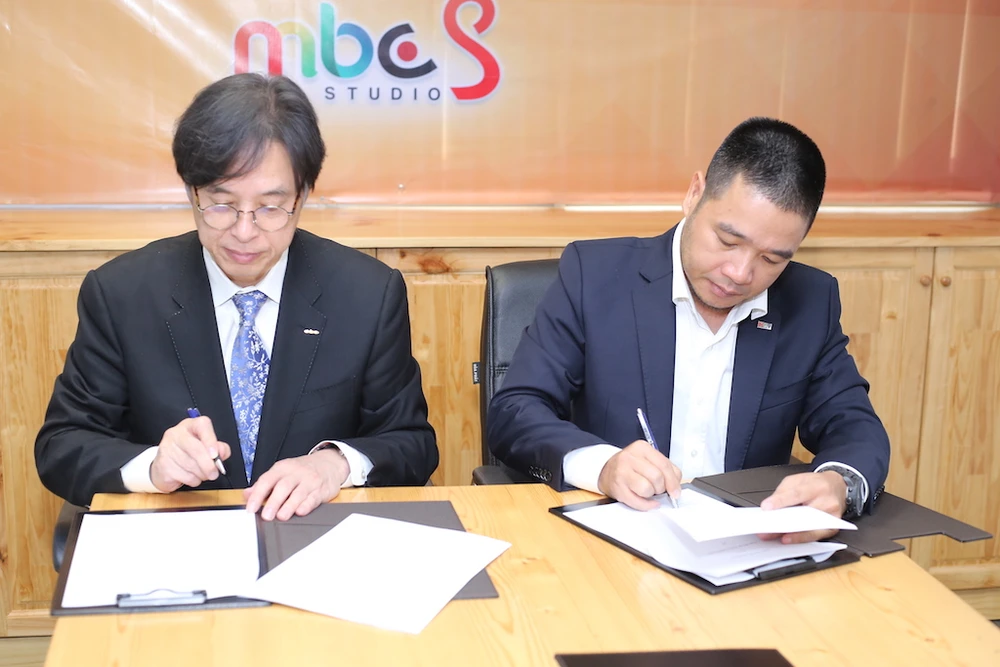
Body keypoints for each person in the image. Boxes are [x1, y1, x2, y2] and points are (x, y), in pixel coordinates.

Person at [35, 73, 438, 520]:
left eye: (270, 206)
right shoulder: (122, 293)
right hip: (177, 538)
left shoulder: (367, 294)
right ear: (192, 191)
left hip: (318, 536)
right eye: (221, 203)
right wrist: (153, 466)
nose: (244, 232)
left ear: (303, 196)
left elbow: (411, 443)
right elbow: (62, 445)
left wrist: (335, 464)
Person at [487, 117, 889, 543]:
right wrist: (602, 466)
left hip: (746, 548)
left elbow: (854, 426)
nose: (740, 273)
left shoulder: (809, 302)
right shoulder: (595, 276)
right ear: (695, 194)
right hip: (610, 541)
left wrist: (839, 483)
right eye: (728, 241)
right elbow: (516, 409)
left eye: (771, 259)